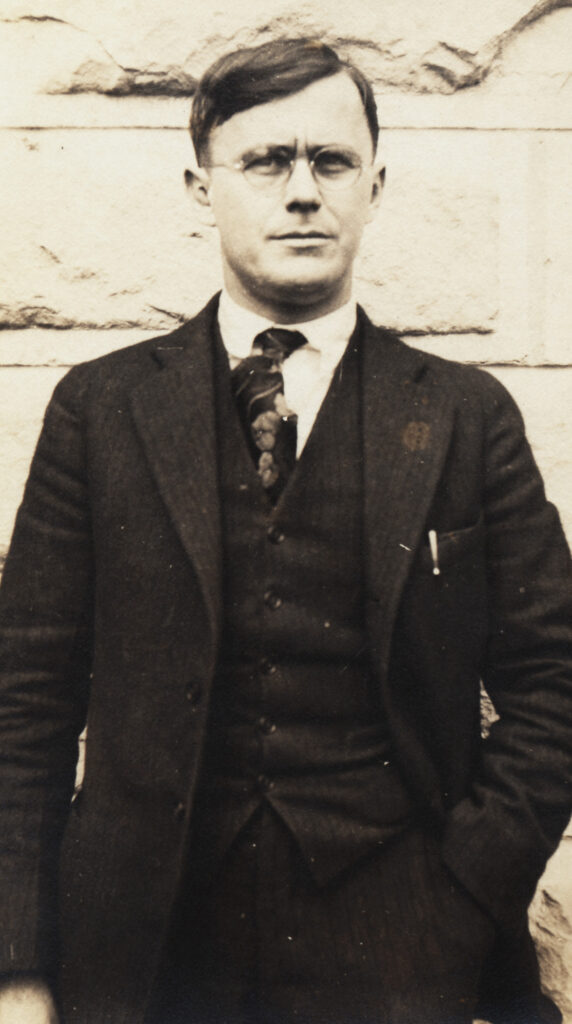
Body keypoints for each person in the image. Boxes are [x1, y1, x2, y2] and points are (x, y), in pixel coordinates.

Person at [0, 36, 571, 1024]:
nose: (300, 192)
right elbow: (23, 709)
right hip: (142, 956)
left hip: (404, 956)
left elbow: (554, 686)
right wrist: (16, 966)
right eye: (265, 161)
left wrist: (460, 895)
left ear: (374, 185)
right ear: (199, 185)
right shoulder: (99, 411)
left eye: (330, 162)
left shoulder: (464, 417)